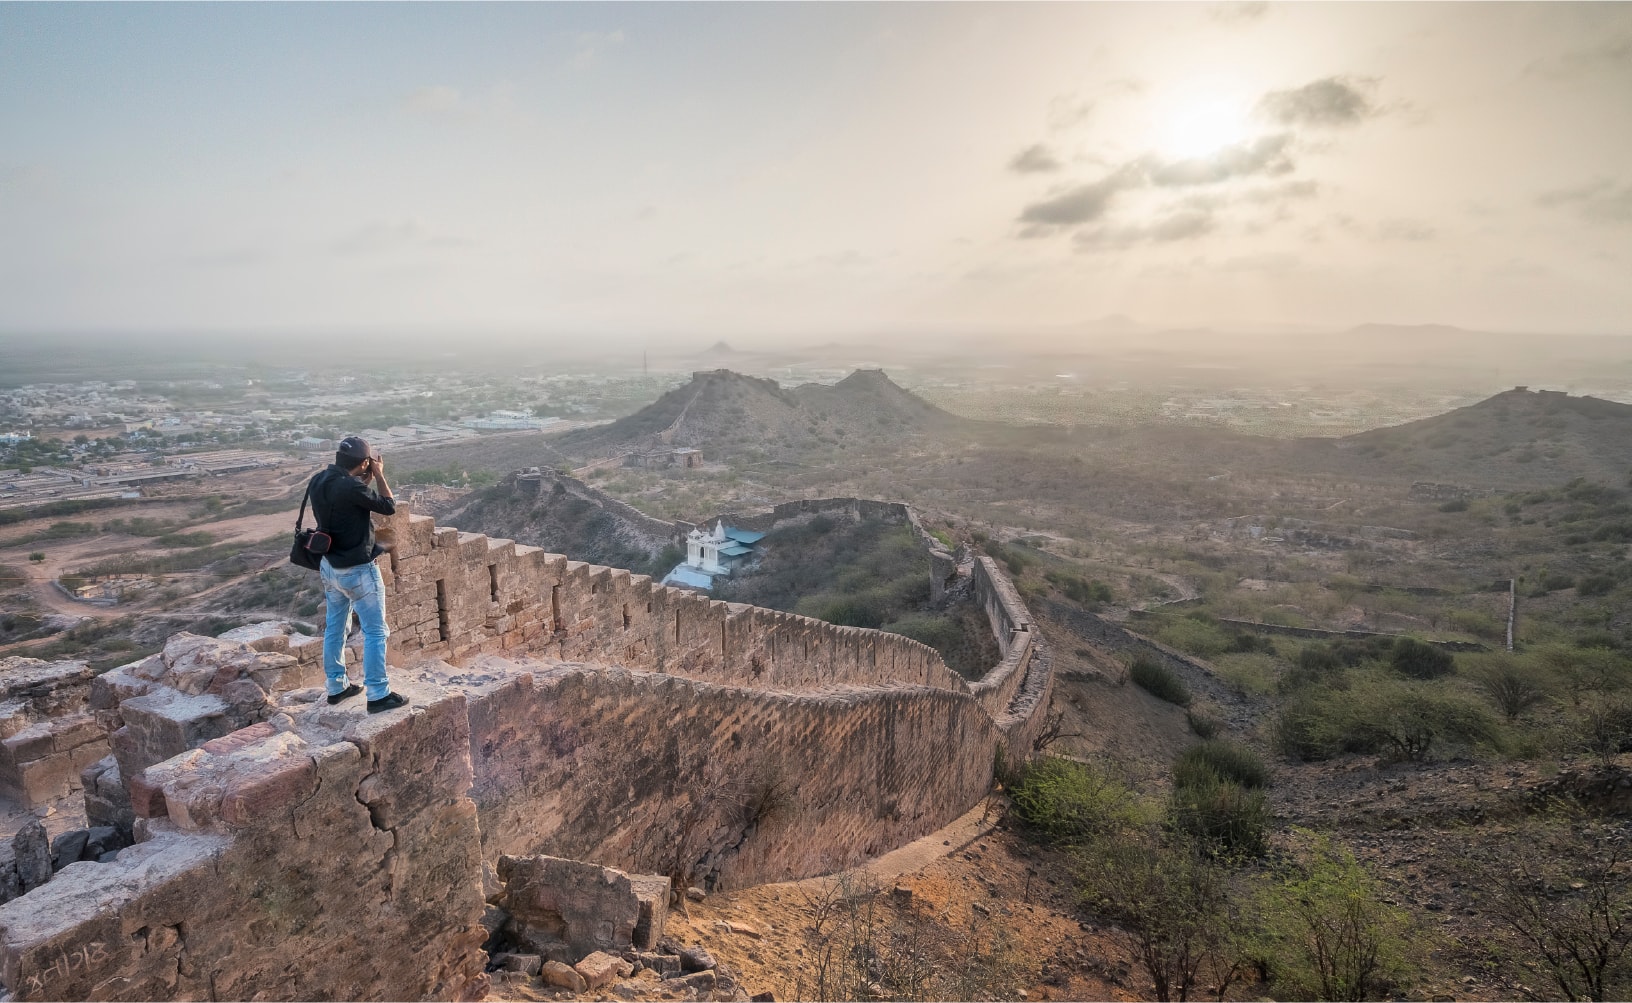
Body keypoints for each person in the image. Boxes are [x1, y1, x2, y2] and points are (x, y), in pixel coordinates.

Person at [309, 435, 408, 713]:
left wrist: (362, 477)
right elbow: (388, 506)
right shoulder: (352, 487)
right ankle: (378, 694)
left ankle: (336, 687)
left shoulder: (318, 480)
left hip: (329, 566)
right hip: (358, 570)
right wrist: (379, 475)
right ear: (365, 463)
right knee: (376, 631)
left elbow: (345, 497)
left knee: (335, 627)